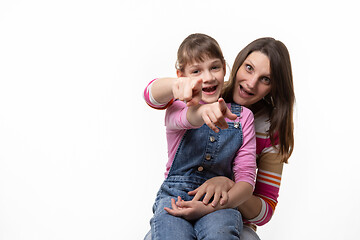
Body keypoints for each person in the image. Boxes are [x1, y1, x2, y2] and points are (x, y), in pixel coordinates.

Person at [144, 37, 295, 239]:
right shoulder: (200, 91)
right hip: (178, 198)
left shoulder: (261, 127)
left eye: (265, 79)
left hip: (228, 208)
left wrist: (227, 185)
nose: (251, 83)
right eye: (249, 68)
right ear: (235, 66)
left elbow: (264, 211)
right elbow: (153, 97)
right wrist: (179, 85)